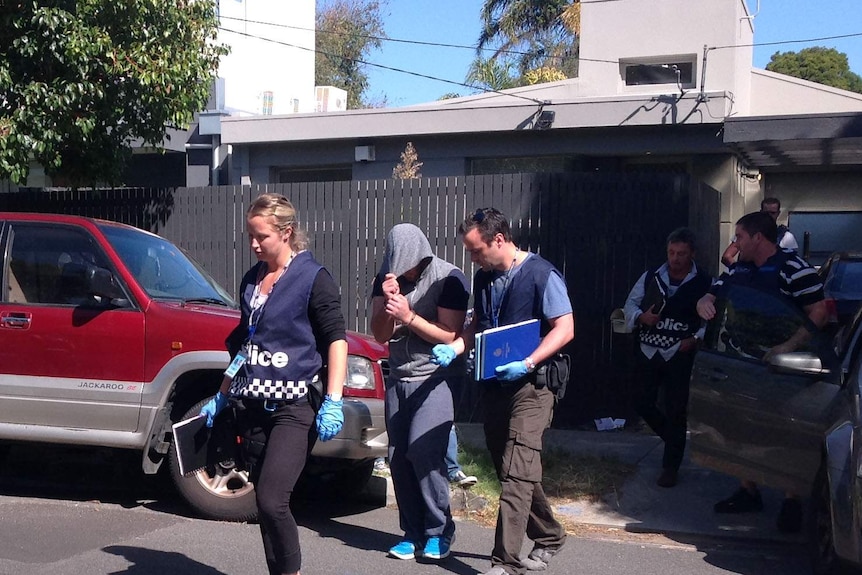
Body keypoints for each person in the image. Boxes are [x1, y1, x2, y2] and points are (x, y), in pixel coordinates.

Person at [199, 193, 347, 575]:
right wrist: (222, 394)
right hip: (253, 406)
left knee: (271, 500)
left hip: (294, 408)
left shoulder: (314, 279)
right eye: (250, 235)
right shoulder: (254, 279)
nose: (253, 244)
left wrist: (333, 399)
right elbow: (246, 346)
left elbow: (336, 341)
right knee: (264, 507)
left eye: (260, 236)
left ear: (287, 232)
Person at [432, 207, 574, 575]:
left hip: (534, 385)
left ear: (499, 239)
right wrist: (457, 347)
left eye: (477, 250)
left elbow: (565, 328)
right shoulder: (483, 279)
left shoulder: (542, 274)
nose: (473, 258)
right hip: (496, 384)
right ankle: (550, 534)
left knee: (517, 468)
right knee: (511, 467)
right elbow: (475, 325)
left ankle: (505, 562)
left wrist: (528, 362)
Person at [697, 210, 827, 533]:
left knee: (784, 431)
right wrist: (705, 301)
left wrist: (788, 346)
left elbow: (820, 312)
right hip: (743, 361)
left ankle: (791, 499)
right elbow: (714, 293)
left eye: (739, 237)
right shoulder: (738, 267)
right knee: (741, 426)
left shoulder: (795, 269)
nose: (735, 244)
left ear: (758, 238)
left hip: (785, 365)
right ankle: (748, 490)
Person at [370, 223, 469, 561]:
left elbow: (450, 335)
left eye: (406, 265)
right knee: (398, 457)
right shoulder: (387, 280)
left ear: (419, 256)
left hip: (437, 376)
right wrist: (388, 302)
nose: (400, 273)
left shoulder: (448, 278)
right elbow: (380, 335)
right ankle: (411, 532)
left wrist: (409, 316)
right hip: (399, 376)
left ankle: (439, 530)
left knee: (424, 451)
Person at [623, 228, 712, 488]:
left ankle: (670, 467)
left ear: (692, 254)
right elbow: (630, 305)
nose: (675, 258)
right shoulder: (651, 276)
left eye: (681, 254)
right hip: (648, 349)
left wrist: (695, 339)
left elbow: (712, 319)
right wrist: (641, 317)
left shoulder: (704, 282)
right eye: (671, 253)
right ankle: (674, 440)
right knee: (641, 402)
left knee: (676, 410)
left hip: (679, 353)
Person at [721, 197, 798, 267]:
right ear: (761, 212)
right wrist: (739, 271)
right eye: (766, 213)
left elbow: (792, 263)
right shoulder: (746, 233)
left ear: (778, 213)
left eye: (773, 213)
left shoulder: (787, 237)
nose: (769, 216)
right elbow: (727, 257)